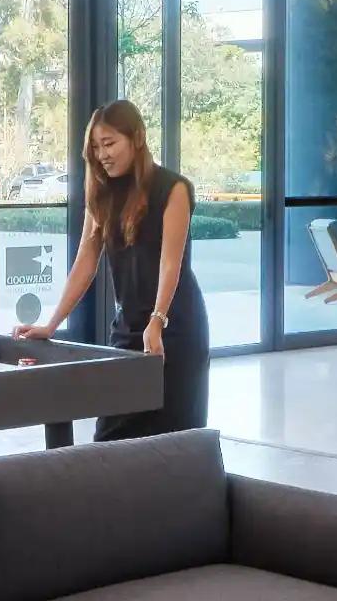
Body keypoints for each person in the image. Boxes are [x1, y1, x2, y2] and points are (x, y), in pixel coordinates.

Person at [16, 99, 209, 439]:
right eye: (95, 147)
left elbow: (170, 262)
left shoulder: (173, 188)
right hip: (129, 328)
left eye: (109, 143)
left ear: (136, 138)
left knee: (176, 441)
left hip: (174, 328)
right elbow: (85, 262)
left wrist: (157, 321)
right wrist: (52, 324)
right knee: (110, 437)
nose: (102, 154)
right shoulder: (102, 194)